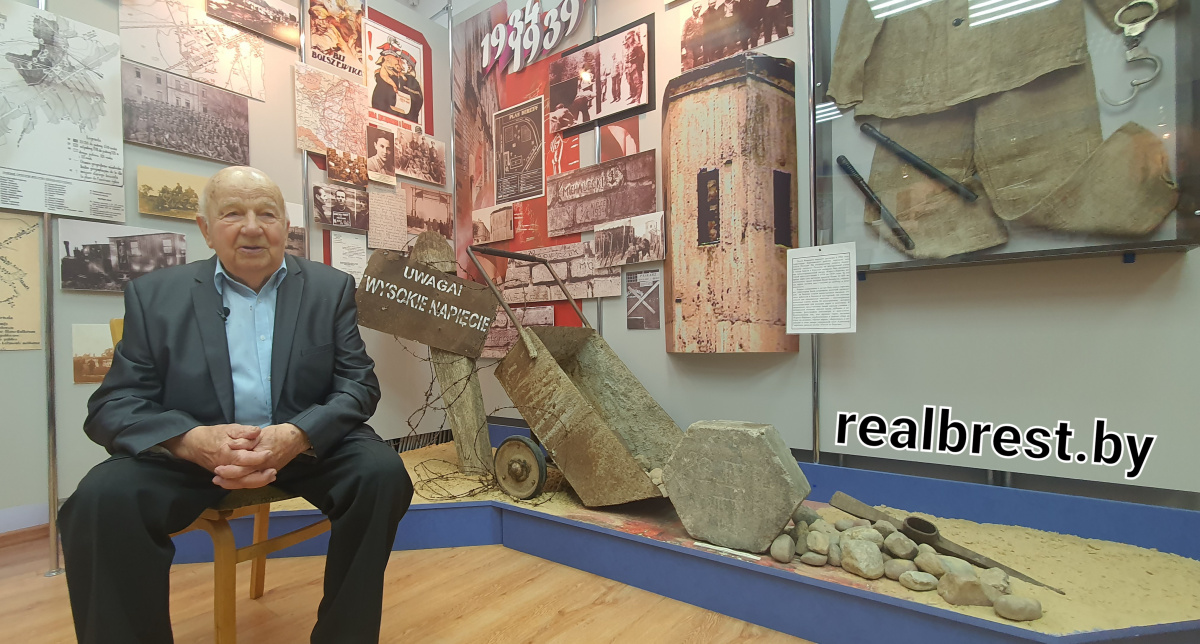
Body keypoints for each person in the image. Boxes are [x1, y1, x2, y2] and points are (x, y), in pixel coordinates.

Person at [58, 167, 412, 644]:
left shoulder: (329, 289)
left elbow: (358, 384)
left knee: (382, 474)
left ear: (286, 227)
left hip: (300, 444)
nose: (251, 227)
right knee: (100, 499)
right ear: (205, 229)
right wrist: (189, 440)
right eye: (232, 214)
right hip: (197, 453)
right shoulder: (154, 295)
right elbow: (113, 404)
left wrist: (298, 434)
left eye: (266, 213)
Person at [682, 3, 706, 69]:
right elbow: (683, 34)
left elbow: (702, 32)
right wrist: (683, 47)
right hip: (689, 45)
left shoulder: (701, 19)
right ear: (692, 9)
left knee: (697, 62)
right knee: (689, 63)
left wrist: (702, 44)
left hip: (698, 44)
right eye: (695, 8)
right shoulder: (688, 21)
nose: (697, 9)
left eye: (699, 7)